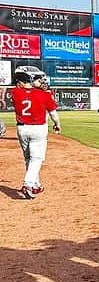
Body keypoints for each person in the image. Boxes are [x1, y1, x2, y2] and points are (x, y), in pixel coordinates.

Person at [11, 69, 61, 199]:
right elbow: (53, 113)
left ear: (21, 82)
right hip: (38, 129)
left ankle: (35, 185)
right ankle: (28, 185)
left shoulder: (15, 93)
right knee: (37, 159)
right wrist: (57, 124)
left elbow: (20, 90)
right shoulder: (43, 94)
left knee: (28, 158)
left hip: (22, 129)